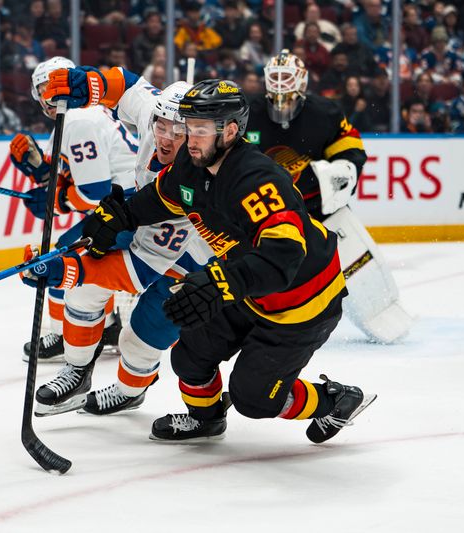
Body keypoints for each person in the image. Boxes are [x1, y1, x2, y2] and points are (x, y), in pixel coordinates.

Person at [76, 78, 375, 442]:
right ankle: (207, 418)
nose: (190, 137)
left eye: (200, 129)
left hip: (301, 302)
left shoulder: (257, 179)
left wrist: (220, 283)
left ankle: (333, 400)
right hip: (245, 289)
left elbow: (283, 256)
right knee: (188, 357)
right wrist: (120, 216)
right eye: (188, 127)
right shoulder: (192, 164)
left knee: (255, 399)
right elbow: (160, 198)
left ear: (230, 131)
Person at [25, 64, 211, 416]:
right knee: (83, 285)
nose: (166, 138)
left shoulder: (196, 183)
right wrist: (88, 82)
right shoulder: (153, 114)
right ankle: (77, 369)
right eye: (162, 126)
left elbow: (135, 273)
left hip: (193, 264)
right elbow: (128, 86)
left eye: (179, 132)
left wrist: (66, 269)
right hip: (144, 218)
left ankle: (130, 391)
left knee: (141, 336)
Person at [246, 50, 412, 344]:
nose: (281, 84)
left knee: (358, 271)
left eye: (287, 77)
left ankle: (380, 312)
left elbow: (351, 149)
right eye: (276, 77)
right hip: (268, 217)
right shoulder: (248, 114)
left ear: (302, 81)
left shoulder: (325, 114)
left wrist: (345, 169)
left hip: (320, 211)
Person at [9, 57, 138, 383]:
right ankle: (102, 328)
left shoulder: (80, 120)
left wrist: (55, 202)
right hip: (123, 206)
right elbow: (67, 178)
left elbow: (94, 192)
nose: (51, 96)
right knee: (65, 253)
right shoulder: (71, 122)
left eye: (56, 86)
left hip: (133, 211)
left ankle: (70, 337)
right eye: (44, 89)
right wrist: (39, 169)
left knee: (63, 259)